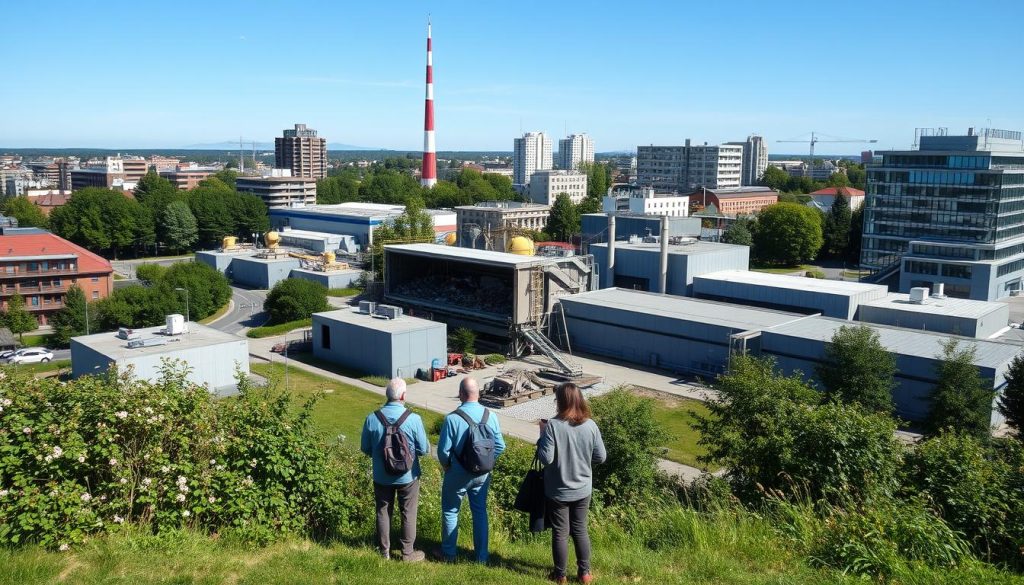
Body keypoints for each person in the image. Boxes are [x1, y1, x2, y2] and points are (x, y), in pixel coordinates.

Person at [536, 383, 607, 584]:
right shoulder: (591, 425)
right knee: (580, 529)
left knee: (560, 532)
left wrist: (542, 436)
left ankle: (560, 576)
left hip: (558, 490)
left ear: (560, 401)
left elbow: (546, 459)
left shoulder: (552, 426)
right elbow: (601, 457)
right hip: (583, 488)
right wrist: (583, 462)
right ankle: (585, 573)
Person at [434, 377, 506, 563]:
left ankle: (449, 554)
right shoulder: (491, 416)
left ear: (461, 394)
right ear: (478, 393)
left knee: (451, 511)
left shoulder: (452, 419)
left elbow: (443, 451)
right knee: (480, 512)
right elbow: (500, 446)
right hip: (482, 474)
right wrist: (487, 462)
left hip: (457, 472)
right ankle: (481, 557)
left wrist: (447, 466)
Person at [360, 377, 430, 562]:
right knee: (408, 511)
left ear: (387, 395)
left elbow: (365, 448)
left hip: (381, 476)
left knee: (383, 510)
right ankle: (407, 552)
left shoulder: (372, 418)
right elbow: (424, 449)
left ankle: (384, 553)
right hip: (408, 476)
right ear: (403, 396)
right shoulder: (413, 419)